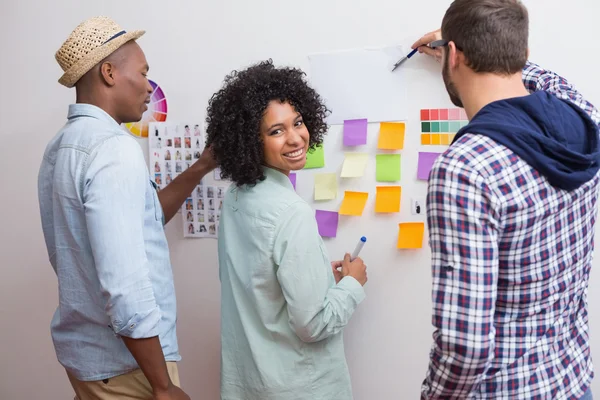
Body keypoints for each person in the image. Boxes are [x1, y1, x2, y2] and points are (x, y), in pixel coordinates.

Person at [414, 1, 600, 399]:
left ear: (455, 56)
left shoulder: (466, 168)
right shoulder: (585, 119)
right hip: (572, 382)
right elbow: (554, 84)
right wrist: (496, 53)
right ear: (524, 56)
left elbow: (465, 345)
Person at [38, 16, 216, 400]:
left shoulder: (60, 148)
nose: (150, 87)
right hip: (131, 369)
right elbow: (124, 287)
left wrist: (201, 167)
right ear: (108, 73)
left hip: (90, 363)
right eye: (143, 72)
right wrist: (162, 385)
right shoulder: (113, 150)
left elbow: (144, 217)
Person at [205, 59, 368, 400]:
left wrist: (323, 279)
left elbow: (262, 287)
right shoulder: (291, 212)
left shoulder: (237, 197)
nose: (296, 138)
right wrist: (352, 283)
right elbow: (313, 325)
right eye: (276, 131)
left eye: (298, 122)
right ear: (250, 140)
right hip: (298, 388)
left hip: (249, 384)